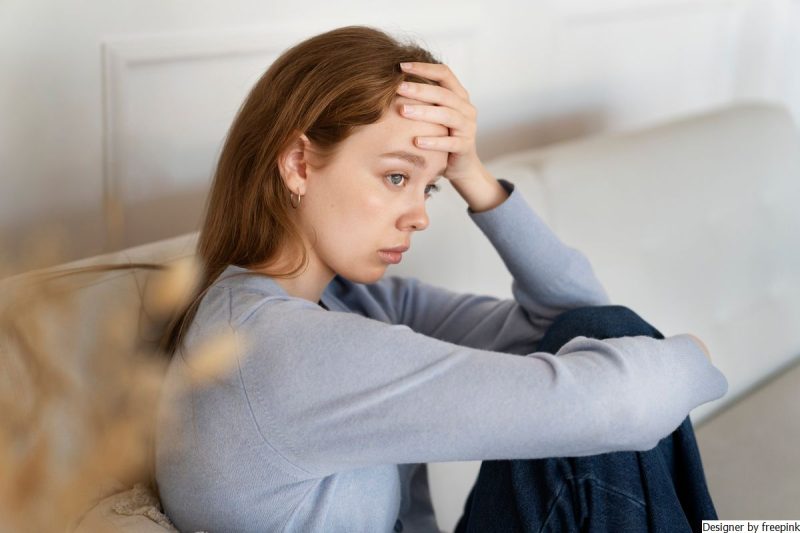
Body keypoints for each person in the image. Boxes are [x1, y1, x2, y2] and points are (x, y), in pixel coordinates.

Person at [154, 25, 728, 532]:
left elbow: (577, 316)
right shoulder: (274, 350)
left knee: (606, 330)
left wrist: (472, 174)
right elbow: (616, 406)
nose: (420, 215)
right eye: (397, 177)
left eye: (428, 186)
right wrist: (695, 355)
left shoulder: (357, 300)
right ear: (299, 164)